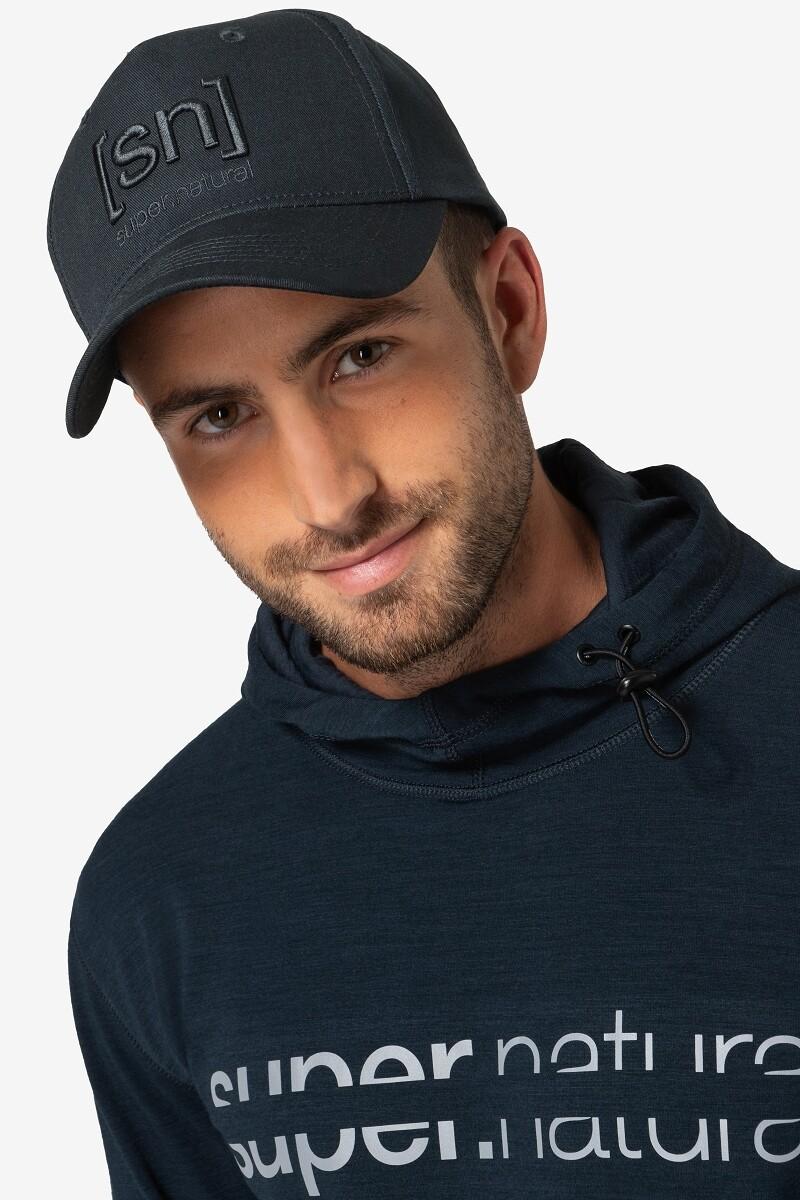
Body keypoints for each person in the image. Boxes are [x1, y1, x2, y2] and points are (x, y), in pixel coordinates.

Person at [48, 9, 800, 1199]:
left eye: (358, 357)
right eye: (219, 417)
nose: (329, 497)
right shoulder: (160, 898)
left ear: (508, 310)